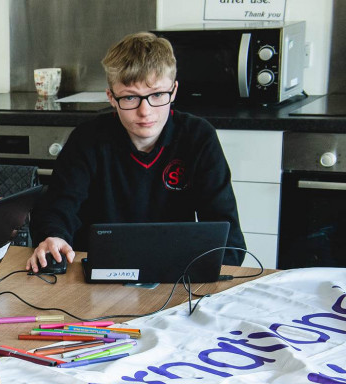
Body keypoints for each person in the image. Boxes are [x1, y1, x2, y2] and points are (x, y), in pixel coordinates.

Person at [27, 32, 246, 272]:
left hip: (175, 272)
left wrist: (216, 267)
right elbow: (59, 207)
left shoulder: (198, 138)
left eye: (157, 95)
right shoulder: (88, 139)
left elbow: (227, 237)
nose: (145, 111)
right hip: (97, 272)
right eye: (130, 97)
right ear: (111, 97)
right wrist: (53, 237)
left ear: (173, 92)